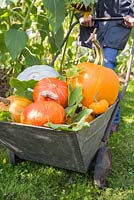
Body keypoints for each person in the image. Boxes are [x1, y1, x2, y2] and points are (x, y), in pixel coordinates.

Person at [77, 0, 134, 132]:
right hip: (94, 22)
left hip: (119, 22)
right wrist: (82, 15)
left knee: (107, 66)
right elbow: (78, 2)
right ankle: (91, 113)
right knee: (86, 74)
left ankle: (113, 118)